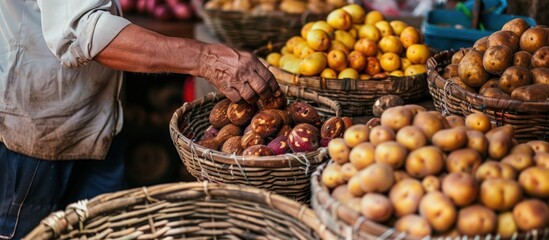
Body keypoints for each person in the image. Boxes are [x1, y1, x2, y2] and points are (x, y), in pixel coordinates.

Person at [0, 1, 279, 238]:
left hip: (98, 122)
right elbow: (86, 32)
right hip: (39, 129)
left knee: (100, 229)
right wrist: (206, 58)